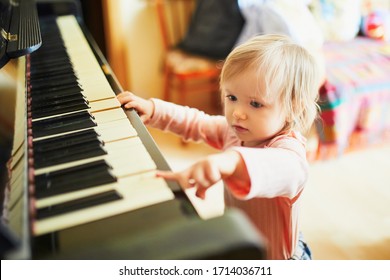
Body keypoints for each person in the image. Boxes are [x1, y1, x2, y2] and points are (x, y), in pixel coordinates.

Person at [117, 34, 320, 260]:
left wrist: (229, 160)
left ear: (293, 108)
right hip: (241, 246)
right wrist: (155, 110)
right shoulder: (233, 131)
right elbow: (196, 122)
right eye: (232, 97)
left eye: (255, 103)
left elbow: (279, 167)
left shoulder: (290, 153)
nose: (237, 113)